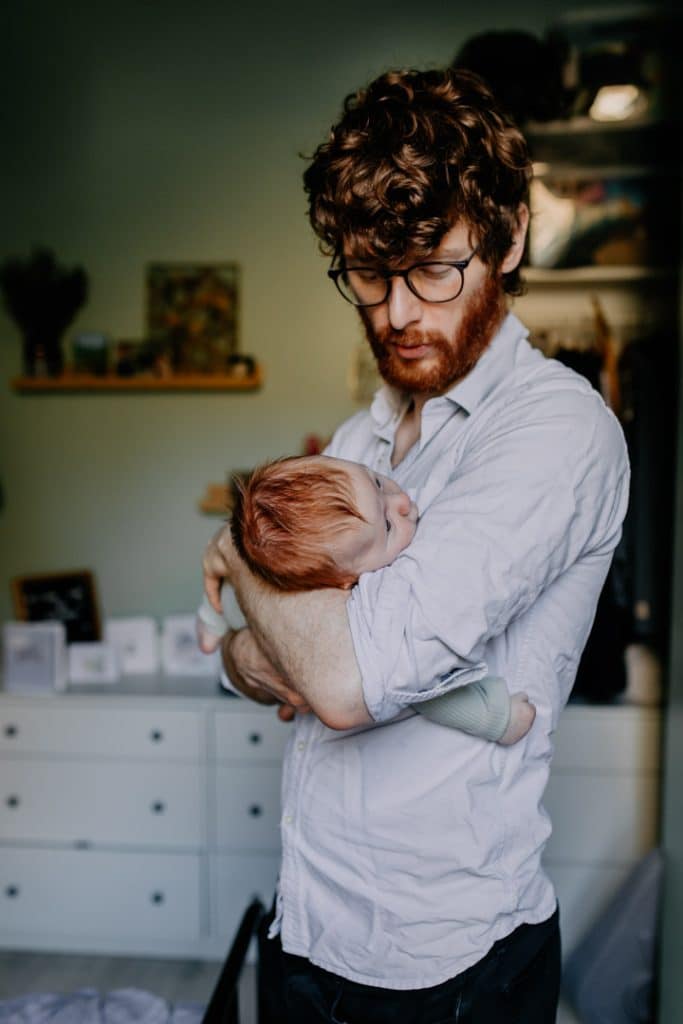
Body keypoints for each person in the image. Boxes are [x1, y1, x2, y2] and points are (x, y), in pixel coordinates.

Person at [202, 68, 630, 1022]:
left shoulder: (555, 430)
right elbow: (251, 664)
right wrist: (256, 648)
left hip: (442, 965)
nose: (395, 311)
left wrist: (237, 555)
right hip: (312, 924)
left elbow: (345, 688)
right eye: (366, 271)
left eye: (433, 266)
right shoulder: (364, 438)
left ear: (510, 236)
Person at [197, 453, 536, 745]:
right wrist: (495, 719)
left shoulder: (340, 535)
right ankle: (493, 716)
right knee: (411, 683)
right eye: (388, 527)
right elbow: (421, 688)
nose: (401, 502)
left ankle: (209, 624)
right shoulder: (363, 599)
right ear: (344, 581)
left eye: (376, 482)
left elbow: (227, 561)